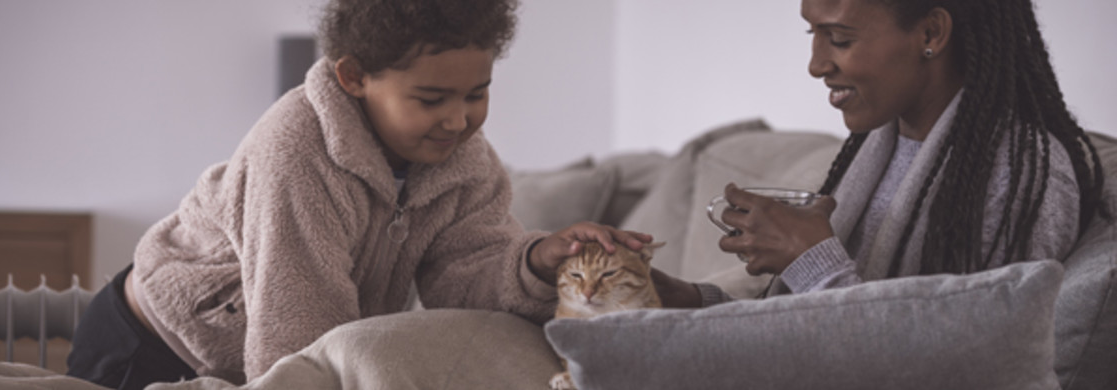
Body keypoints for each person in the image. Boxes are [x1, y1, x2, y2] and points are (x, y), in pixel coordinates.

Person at [65, 0, 699, 388]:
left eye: (476, 93)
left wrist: (538, 258)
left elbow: (467, 270)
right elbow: (296, 333)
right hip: (150, 344)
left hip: (261, 350)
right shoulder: (297, 152)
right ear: (355, 77)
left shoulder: (464, 162)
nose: (459, 120)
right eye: (431, 99)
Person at [714, 0, 1109, 296]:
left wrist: (812, 261)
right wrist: (695, 301)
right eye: (812, 33)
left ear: (930, 35)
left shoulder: (1019, 179)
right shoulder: (874, 146)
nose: (816, 65)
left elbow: (970, 364)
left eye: (839, 39)